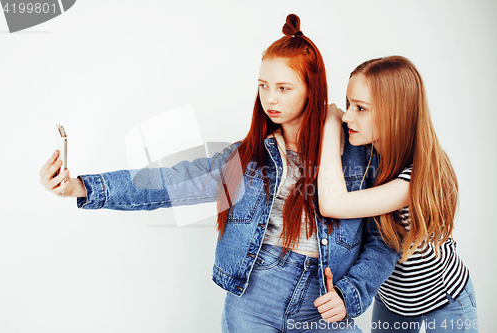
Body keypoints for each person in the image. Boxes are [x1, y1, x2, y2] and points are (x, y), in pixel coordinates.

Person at [39, 15, 398, 332]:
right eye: (263, 85)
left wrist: (351, 294)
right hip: (255, 297)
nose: (269, 99)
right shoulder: (248, 157)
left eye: (284, 88)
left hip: (324, 304)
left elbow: (385, 240)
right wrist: (80, 186)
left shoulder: (359, 155)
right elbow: (170, 183)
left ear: (311, 89)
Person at [318, 56, 477, 333]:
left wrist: (330, 129)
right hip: (391, 303)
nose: (347, 116)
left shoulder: (416, 175)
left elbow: (333, 203)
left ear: (395, 114)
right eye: (347, 104)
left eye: (360, 108)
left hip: (443, 300)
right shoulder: (367, 157)